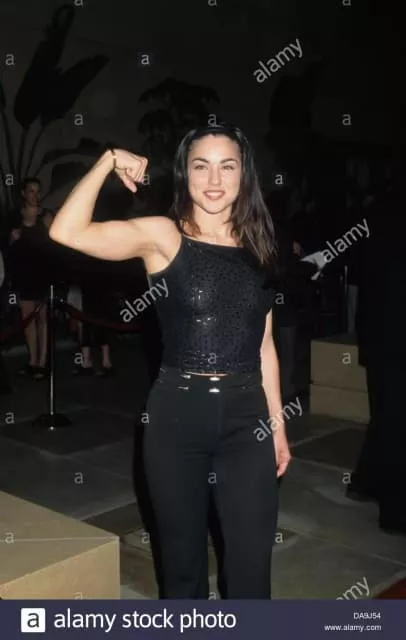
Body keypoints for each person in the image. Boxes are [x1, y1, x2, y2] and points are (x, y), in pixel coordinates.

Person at [49, 123, 291, 599]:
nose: (214, 180)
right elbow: (66, 231)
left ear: (244, 174)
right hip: (177, 417)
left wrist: (277, 425)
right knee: (182, 568)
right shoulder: (163, 236)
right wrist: (107, 161)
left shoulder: (259, 246)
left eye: (227, 166)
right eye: (201, 166)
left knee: (251, 567)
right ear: (185, 174)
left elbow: (264, 344)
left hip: (247, 419)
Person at [9, 177, 53, 380]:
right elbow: (8, 247)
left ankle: (42, 362)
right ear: (23, 193)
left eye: (37, 191)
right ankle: (33, 361)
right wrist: (12, 238)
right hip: (23, 273)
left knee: (42, 318)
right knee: (27, 319)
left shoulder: (46, 216)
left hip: (42, 272)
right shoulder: (15, 216)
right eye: (31, 191)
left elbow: (54, 245)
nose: (35, 195)